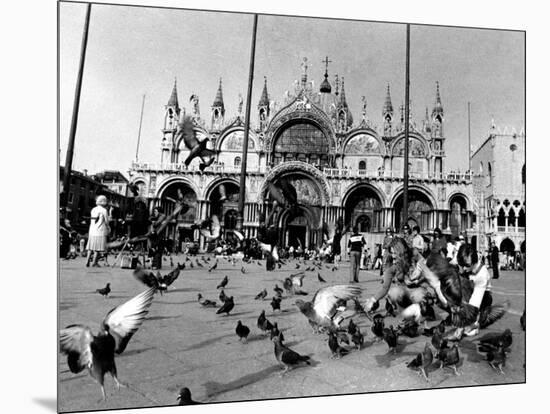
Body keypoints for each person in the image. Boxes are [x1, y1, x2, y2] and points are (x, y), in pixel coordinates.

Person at [456, 243, 493, 337]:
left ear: (474, 262)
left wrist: (464, 324)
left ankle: (478, 320)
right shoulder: (464, 262)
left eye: (466, 265)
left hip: (483, 298)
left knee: (470, 329)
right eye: (462, 265)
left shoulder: (482, 274)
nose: (464, 268)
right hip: (469, 292)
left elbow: (475, 302)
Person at [85, 195, 111, 267]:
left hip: (92, 230)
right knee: (98, 248)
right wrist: (108, 228)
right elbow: (106, 221)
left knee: (90, 247)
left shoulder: (93, 209)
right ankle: (94, 262)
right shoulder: (104, 210)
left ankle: (87, 261)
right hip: (100, 231)